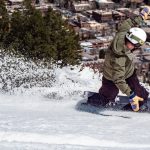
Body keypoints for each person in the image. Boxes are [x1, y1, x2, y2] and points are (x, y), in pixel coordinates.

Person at [87, 6, 150, 112]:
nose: (134, 48)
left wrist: (141, 17)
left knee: (140, 94)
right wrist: (131, 95)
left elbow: (129, 23)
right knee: (107, 97)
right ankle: (95, 101)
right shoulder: (119, 58)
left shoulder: (123, 33)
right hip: (111, 77)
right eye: (134, 45)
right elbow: (118, 79)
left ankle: (136, 103)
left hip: (128, 73)